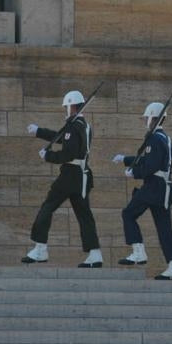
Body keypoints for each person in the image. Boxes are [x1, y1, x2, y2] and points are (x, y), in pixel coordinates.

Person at [23, 90, 102, 268]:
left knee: (47, 207)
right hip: (82, 176)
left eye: (67, 107)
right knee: (84, 216)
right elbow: (61, 137)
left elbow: (68, 153)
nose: (65, 110)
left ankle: (40, 248)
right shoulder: (84, 126)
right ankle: (95, 254)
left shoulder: (73, 126)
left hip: (69, 176)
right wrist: (39, 131)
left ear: (72, 107)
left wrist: (48, 156)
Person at [113, 102, 172, 280]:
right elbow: (147, 159)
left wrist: (134, 173)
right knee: (164, 229)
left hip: (154, 187)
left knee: (128, 213)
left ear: (153, 118)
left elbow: (151, 165)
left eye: (146, 118)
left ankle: (138, 252)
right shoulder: (163, 137)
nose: (145, 121)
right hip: (162, 188)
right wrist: (126, 160)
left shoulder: (154, 139)